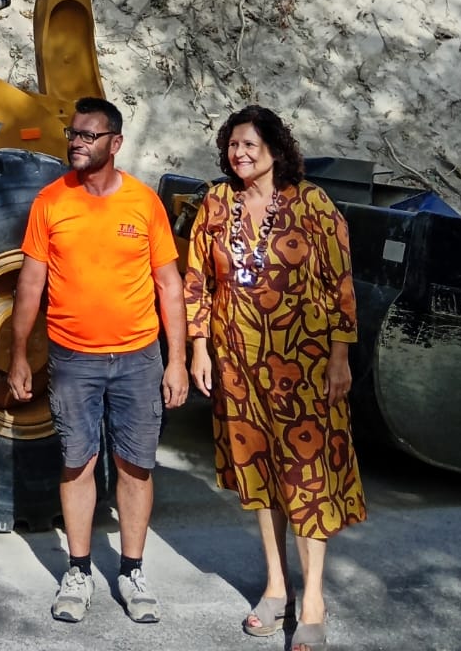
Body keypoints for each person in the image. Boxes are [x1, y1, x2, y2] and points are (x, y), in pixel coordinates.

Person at [185, 105, 365, 651]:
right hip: (239, 367)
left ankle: (312, 598)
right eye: (232, 146)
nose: (239, 154)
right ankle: (274, 586)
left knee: (307, 478)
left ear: (274, 148)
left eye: (248, 145)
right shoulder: (217, 203)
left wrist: (340, 356)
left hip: (306, 365)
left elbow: (341, 284)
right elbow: (197, 280)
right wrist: (199, 347)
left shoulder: (312, 204)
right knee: (260, 477)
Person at [7, 97, 188, 627]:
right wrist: (19, 354)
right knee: (78, 462)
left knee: (136, 466)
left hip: (137, 359)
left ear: (115, 142)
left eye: (88, 135)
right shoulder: (49, 202)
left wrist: (175, 361)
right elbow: (30, 285)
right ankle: (80, 569)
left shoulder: (143, 202)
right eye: (72, 133)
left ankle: (132, 571)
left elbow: (169, 285)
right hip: (72, 358)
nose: (76, 143)